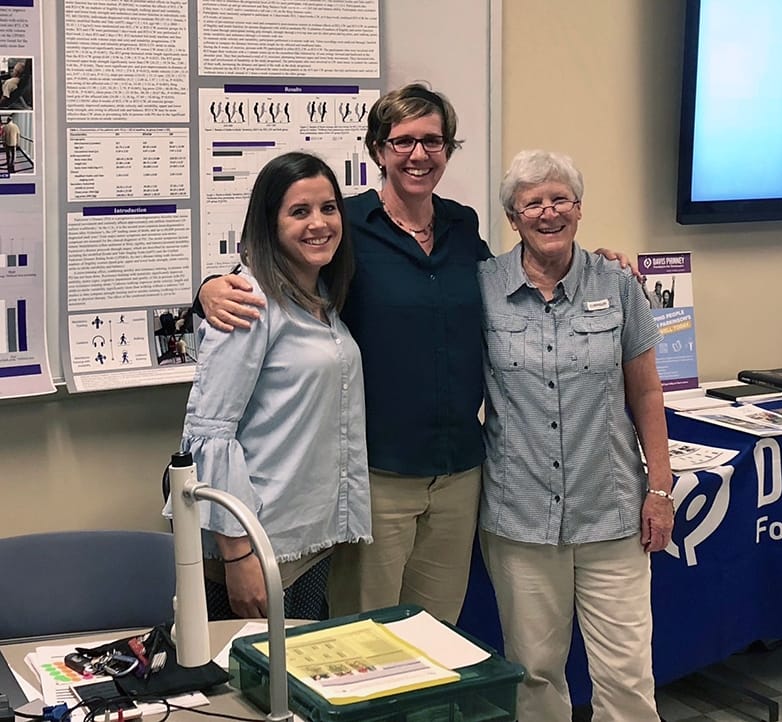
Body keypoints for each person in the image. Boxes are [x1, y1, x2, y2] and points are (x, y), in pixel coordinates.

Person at [196, 83, 637, 625]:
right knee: (366, 640)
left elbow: (517, 280)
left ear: (449, 150)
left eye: (433, 141)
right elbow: (272, 270)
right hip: (377, 474)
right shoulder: (344, 226)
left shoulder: (460, 226)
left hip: (459, 473)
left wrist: (592, 263)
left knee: (436, 637)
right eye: (402, 140)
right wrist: (208, 289)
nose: (418, 155)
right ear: (378, 149)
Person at [477, 149, 674, 722]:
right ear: (512, 218)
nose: (548, 212)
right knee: (534, 675)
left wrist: (659, 491)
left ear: (580, 209)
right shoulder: (483, 287)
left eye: (560, 199)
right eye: (531, 203)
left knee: (628, 676)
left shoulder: (617, 283)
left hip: (611, 513)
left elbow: (647, 395)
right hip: (520, 518)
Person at [164, 151, 371, 620]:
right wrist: (240, 557)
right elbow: (209, 435)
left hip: (308, 543)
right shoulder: (247, 301)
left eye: (328, 208)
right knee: (253, 690)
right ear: (270, 223)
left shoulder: (320, 296)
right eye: (299, 212)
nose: (318, 223)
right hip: (258, 547)